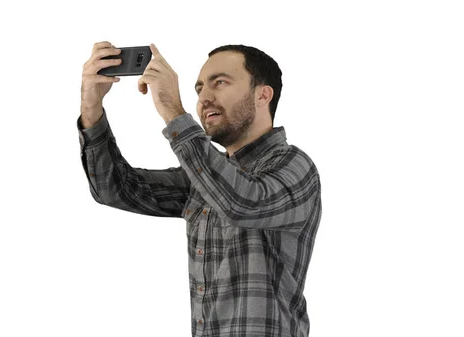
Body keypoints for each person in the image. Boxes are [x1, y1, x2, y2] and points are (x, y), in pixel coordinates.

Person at [76, 41, 322, 337]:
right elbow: (113, 188)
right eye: (199, 89)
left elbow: (242, 203)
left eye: (220, 83)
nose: (204, 97)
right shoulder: (202, 177)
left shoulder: (296, 167)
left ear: (262, 95)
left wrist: (172, 110)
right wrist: (91, 108)